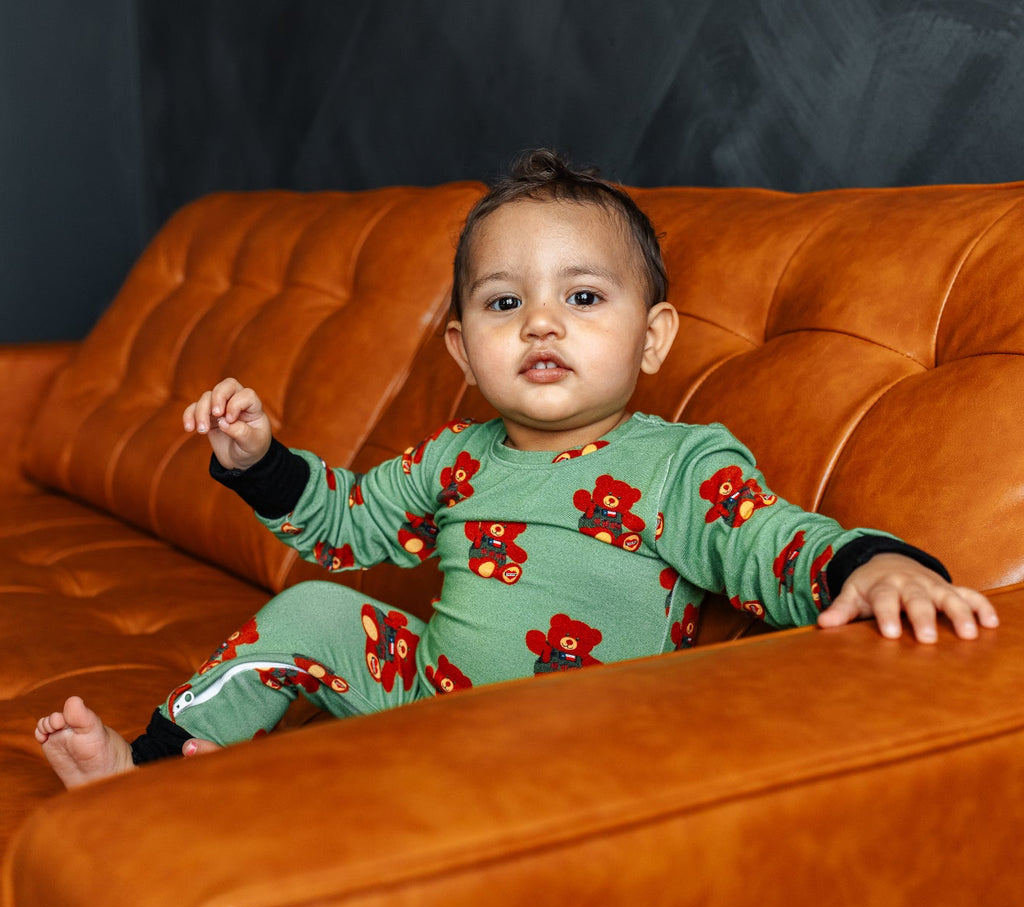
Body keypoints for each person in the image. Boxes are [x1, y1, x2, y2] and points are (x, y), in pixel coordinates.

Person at [36, 149, 999, 788]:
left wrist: (871, 564)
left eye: (582, 296)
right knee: (316, 612)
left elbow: (770, 543)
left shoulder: (680, 464)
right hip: (433, 706)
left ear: (652, 338)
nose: (541, 322)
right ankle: (150, 765)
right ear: (460, 350)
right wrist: (257, 461)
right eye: (504, 304)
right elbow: (341, 529)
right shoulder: (452, 459)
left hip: (584, 745)